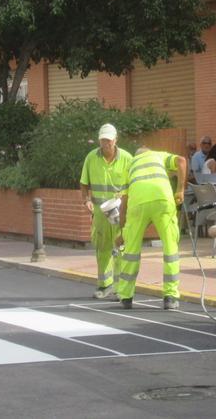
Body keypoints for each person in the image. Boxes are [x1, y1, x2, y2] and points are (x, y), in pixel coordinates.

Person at [117, 146, 187, 310]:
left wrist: (123, 231)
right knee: (170, 249)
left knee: (131, 251)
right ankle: (170, 297)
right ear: (148, 151)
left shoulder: (129, 165)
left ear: (136, 155)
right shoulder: (159, 155)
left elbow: (124, 201)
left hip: (137, 203)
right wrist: (180, 190)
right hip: (162, 199)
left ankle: (126, 296)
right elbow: (182, 161)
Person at [78, 124, 132, 300]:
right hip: (101, 213)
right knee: (102, 248)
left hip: (121, 211)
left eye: (108, 140)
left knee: (121, 248)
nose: (105, 144)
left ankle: (121, 288)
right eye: (102, 140)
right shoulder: (91, 158)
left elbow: (134, 184)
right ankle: (105, 284)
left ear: (115, 140)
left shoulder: (127, 158)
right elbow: (84, 183)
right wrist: (86, 200)